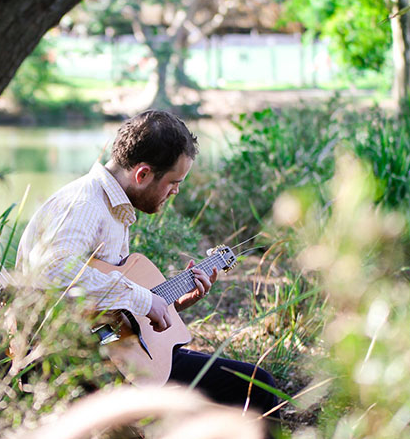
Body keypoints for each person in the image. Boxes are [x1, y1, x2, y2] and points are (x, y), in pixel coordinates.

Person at [16, 110, 280, 427]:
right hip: (80, 364)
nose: (176, 191)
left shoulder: (111, 207)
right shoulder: (85, 204)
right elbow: (52, 271)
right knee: (257, 388)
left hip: (111, 354)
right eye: (173, 182)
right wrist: (143, 299)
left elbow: (106, 310)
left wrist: (173, 301)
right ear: (142, 175)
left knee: (252, 382)